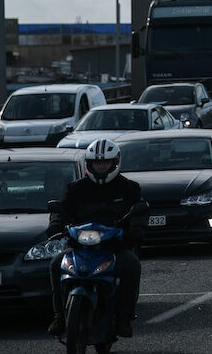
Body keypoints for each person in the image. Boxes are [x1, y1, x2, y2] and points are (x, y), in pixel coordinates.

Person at [47, 139, 145, 338]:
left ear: (114, 163)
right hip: (80, 245)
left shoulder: (129, 188)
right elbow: (61, 210)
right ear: (89, 164)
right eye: (97, 163)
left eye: (106, 162)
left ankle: (124, 318)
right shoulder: (75, 188)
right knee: (56, 263)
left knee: (132, 264)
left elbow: (139, 212)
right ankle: (59, 316)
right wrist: (56, 225)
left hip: (115, 245)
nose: (101, 166)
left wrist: (136, 230)